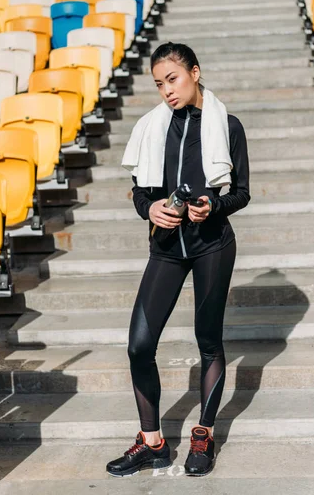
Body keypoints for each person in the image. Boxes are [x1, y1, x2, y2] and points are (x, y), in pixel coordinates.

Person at [106, 42, 250, 478]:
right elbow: (140, 191)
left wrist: (214, 205)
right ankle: (152, 442)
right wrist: (148, 209)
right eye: (159, 84)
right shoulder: (153, 127)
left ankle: (203, 434)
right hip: (166, 248)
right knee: (139, 345)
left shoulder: (228, 124)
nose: (166, 91)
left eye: (173, 79)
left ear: (195, 72)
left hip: (212, 245)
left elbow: (241, 192)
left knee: (209, 342)